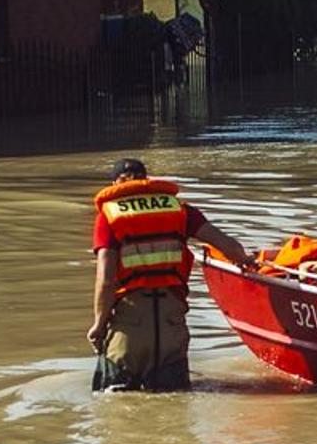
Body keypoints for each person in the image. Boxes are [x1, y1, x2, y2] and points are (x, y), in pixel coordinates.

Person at [89, 157, 257, 391]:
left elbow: (106, 280)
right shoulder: (179, 209)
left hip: (130, 324)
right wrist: (247, 261)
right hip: (171, 322)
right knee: (176, 398)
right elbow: (226, 244)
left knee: (114, 403)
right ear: (146, 179)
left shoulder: (109, 216)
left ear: (115, 184)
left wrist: (98, 325)